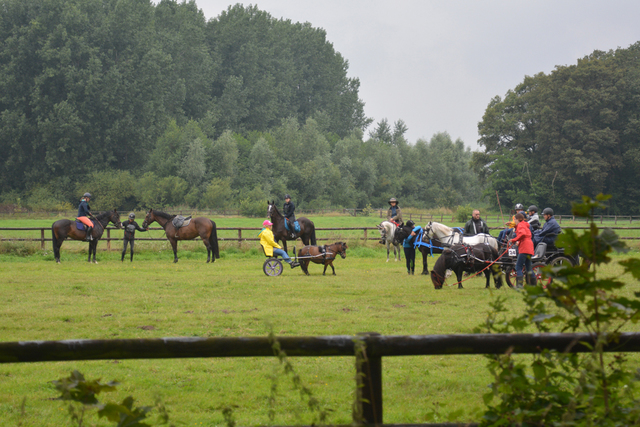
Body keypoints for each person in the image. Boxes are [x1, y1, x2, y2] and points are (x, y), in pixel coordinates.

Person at [508, 212, 535, 288]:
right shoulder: (525, 224)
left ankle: (519, 286)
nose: (514, 221)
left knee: (518, 267)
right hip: (530, 247)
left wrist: (514, 240)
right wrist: (519, 241)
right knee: (529, 268)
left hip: (524, 248)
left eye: (515, 219)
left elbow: (522, 234)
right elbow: (525, 235)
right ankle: (534, 286)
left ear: (517, 219)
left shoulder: (520, 225)